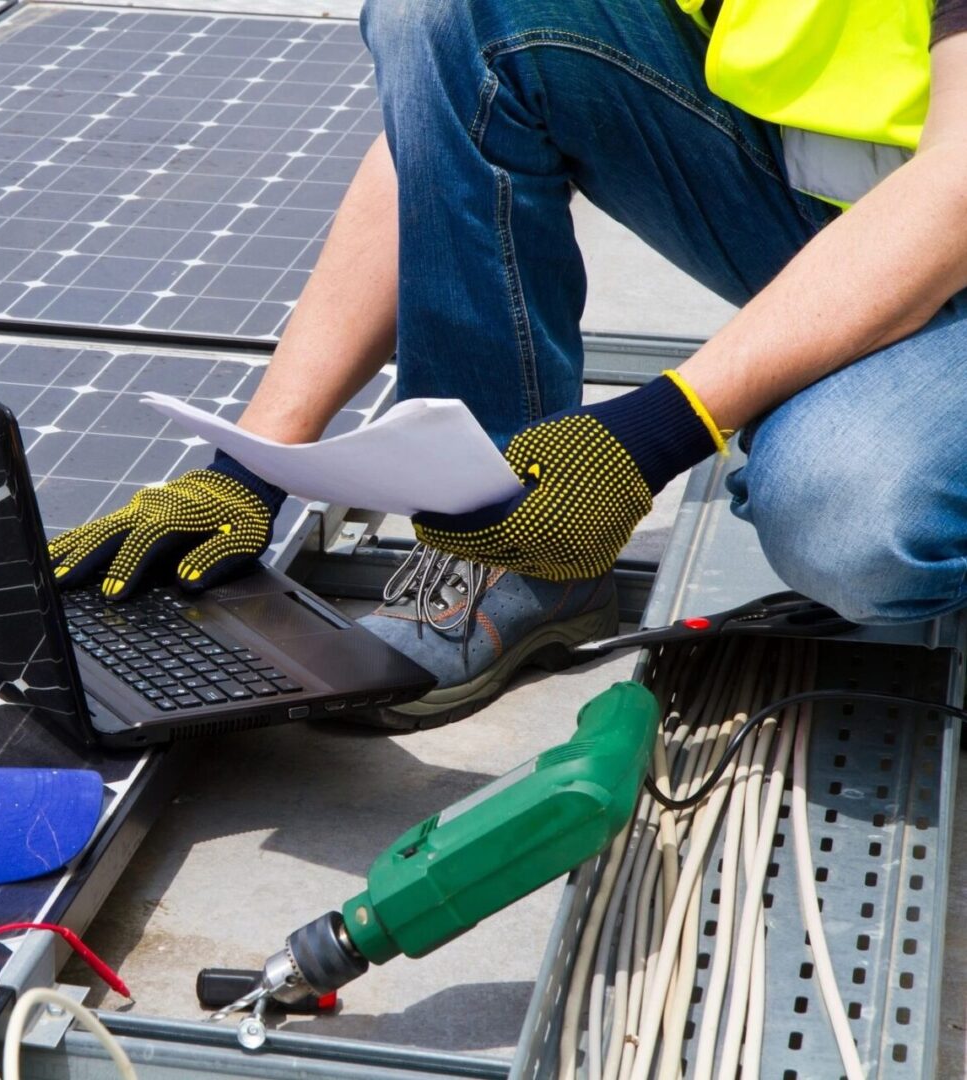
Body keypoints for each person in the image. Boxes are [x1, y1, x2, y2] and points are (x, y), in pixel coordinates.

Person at [48, 0, 967, 726]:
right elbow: (459, 97)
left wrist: (657, 429)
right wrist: (255, 463)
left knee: (848, 523)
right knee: (451, 10)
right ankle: (503, 546)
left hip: (947, 214)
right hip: (850, 217)